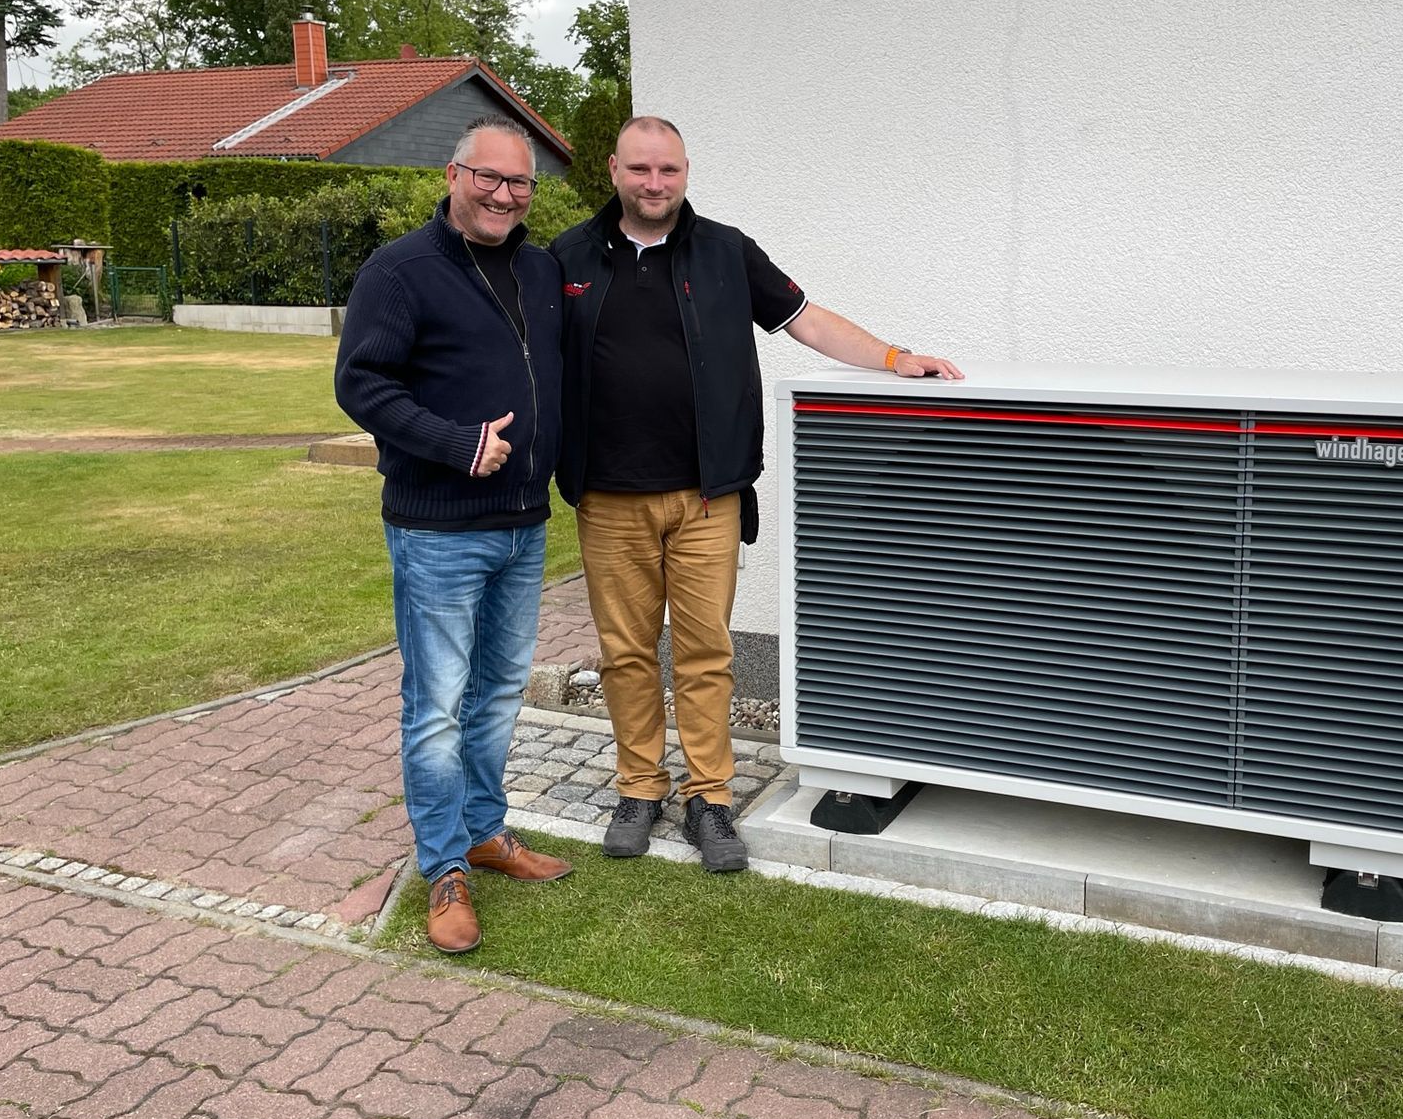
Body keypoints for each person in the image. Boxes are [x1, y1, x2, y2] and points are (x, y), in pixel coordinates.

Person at [553, 115, 962, 873]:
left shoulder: (726, 252)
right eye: (640, 169)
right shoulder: (568, 257)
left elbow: (807, 320)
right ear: (613, 170)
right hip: (608, 499)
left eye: (669, 170)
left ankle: (709, 799)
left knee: (706, 653)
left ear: (686, 172)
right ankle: (639, 791)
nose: (654, 183)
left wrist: (894, 357)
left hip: (707, 497)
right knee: (626, 654)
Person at [335, 113, 571, 954]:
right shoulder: (399, 271)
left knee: (499, 693)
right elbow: (361, 384)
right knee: (436, 706)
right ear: (453, 175)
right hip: (437, 530)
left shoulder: (541, 270)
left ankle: (483, 831)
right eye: (489, 177)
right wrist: (455, 442)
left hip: (524, 526)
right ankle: (443, 868)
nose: (505, 195)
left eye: (520, 182)